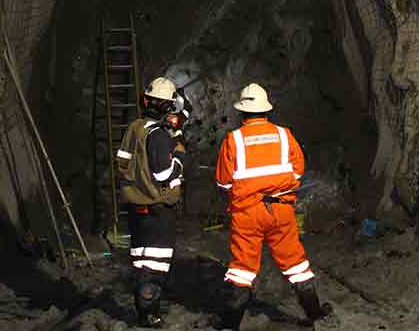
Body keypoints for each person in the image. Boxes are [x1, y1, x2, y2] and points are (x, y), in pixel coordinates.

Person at [213, 83, 334, 330]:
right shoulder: (283, 134)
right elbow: (298, 171)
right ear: (266, 110)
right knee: (295, 263)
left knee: (242, 269)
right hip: (281, 209)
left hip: (247, 212)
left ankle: (229, 324)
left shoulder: (233, 140)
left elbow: (223, 182)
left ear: (243, 112)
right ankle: (314, 314)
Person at [114, 77, 187, 328]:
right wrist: (177, 154)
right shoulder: (157, 136)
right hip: (158, 211)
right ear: (168, 106)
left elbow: (123, 164)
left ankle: (144, 313)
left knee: (141, 263)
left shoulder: (134, 128)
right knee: (154, 270)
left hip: (136, 210)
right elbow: (164, 174)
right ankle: (149, 317)